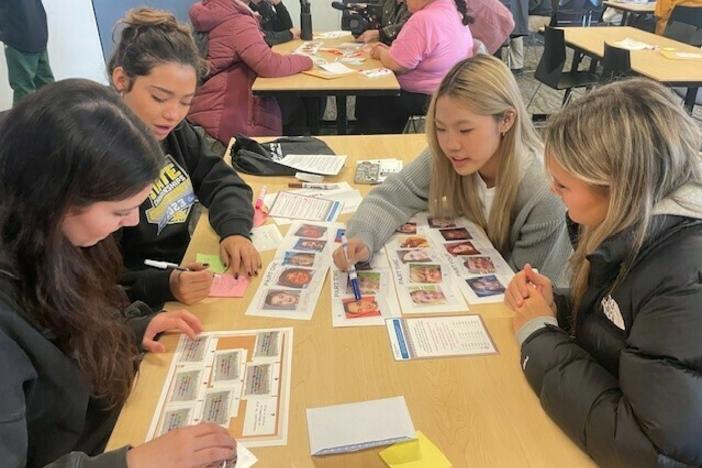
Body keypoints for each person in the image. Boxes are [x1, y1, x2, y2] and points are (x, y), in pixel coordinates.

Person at [0, 79, 237, 467]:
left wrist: (125, 331)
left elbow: (58, 331)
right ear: (54, 197)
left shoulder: (49, 242)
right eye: (117, 211)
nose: (131, 222)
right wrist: (136, 463)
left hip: (102, 419)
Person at [504, 79, 702, 466]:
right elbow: (628, 329)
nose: (552, 191)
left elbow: (651, 451)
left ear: (619, 188)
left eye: (563, 184)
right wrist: (560, 307)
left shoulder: (683, 278)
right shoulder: (637, 229)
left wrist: (540, 336)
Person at [335, 55, 571, 287]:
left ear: (506, 120)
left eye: (465, 130)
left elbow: (527, 286)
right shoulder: (450, 155)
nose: (451, 144)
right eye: (440, 128)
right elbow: (392, 196)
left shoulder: (544, 191)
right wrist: (363, 237)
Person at [108, 8, 261, 308]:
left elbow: (222, 181)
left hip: (184, 272)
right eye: (159, 98)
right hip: (141, 300)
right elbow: (94, 281)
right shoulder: (101, 158)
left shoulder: (175, 132)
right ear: (121, 80)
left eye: (185, 102)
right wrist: (165, 285)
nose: (173, 114)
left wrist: (234, 230)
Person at [187, 0, 313, 142]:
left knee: (296, 106)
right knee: (298, 108)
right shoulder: (239, 21)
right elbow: (269, 65)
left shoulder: (215, 12)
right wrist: (308, 60)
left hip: (207, 102)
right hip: (229, 115)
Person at [355, 0, 474, 133]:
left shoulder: (424, 19)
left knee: (373, 93)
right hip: (448, 91)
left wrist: (380, 51)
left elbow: (397, 64)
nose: (405, 2)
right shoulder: (452, 10)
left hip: (426, 96)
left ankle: (372, 142)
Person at [0, 0, 54, 105]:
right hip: (37, 30)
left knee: (24, 91)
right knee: (48, 88)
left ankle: (23, 121)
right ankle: (57, 119)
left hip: (18, 34)